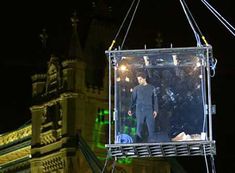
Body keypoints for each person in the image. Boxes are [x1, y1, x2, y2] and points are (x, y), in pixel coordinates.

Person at [128, 72, 158, 142]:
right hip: (139, 110)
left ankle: (152, 143)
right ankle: (138, 143)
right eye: (138, 79)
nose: (139, 81)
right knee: (139, 127)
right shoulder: (136, 88)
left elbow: (155, 100)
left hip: (149, 109)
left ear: (144, 79)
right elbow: (132, 99)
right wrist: (130, 109)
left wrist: (156, 110)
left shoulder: (152, 88)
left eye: (140, 79)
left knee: (151, 127)